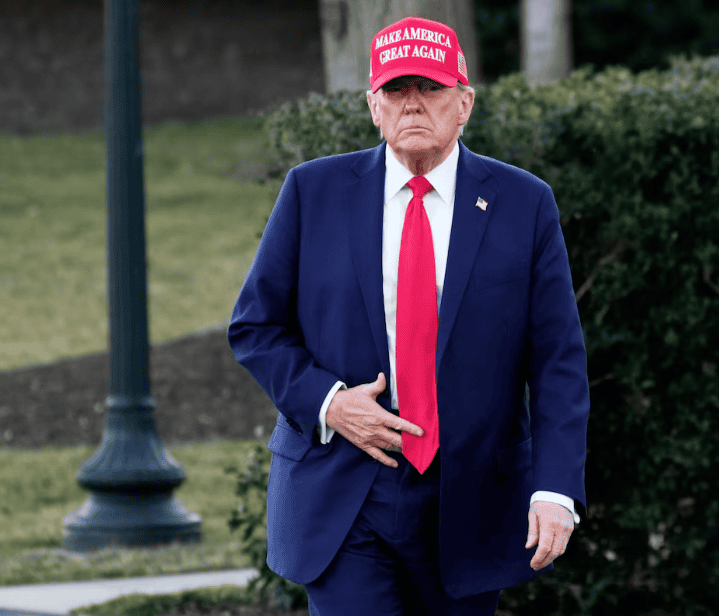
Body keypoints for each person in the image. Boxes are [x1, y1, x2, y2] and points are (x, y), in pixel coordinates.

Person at [229, 15, 590, 616]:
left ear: (464, 102)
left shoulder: (524, 204)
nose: (413, 104)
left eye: (431, 88)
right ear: (374, 106)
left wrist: (555, 490)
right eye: (397, 90)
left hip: (470, 496)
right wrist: (329, 403)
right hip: (342, 490)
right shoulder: (312, 192)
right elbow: (256, 327)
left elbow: (556, 361)